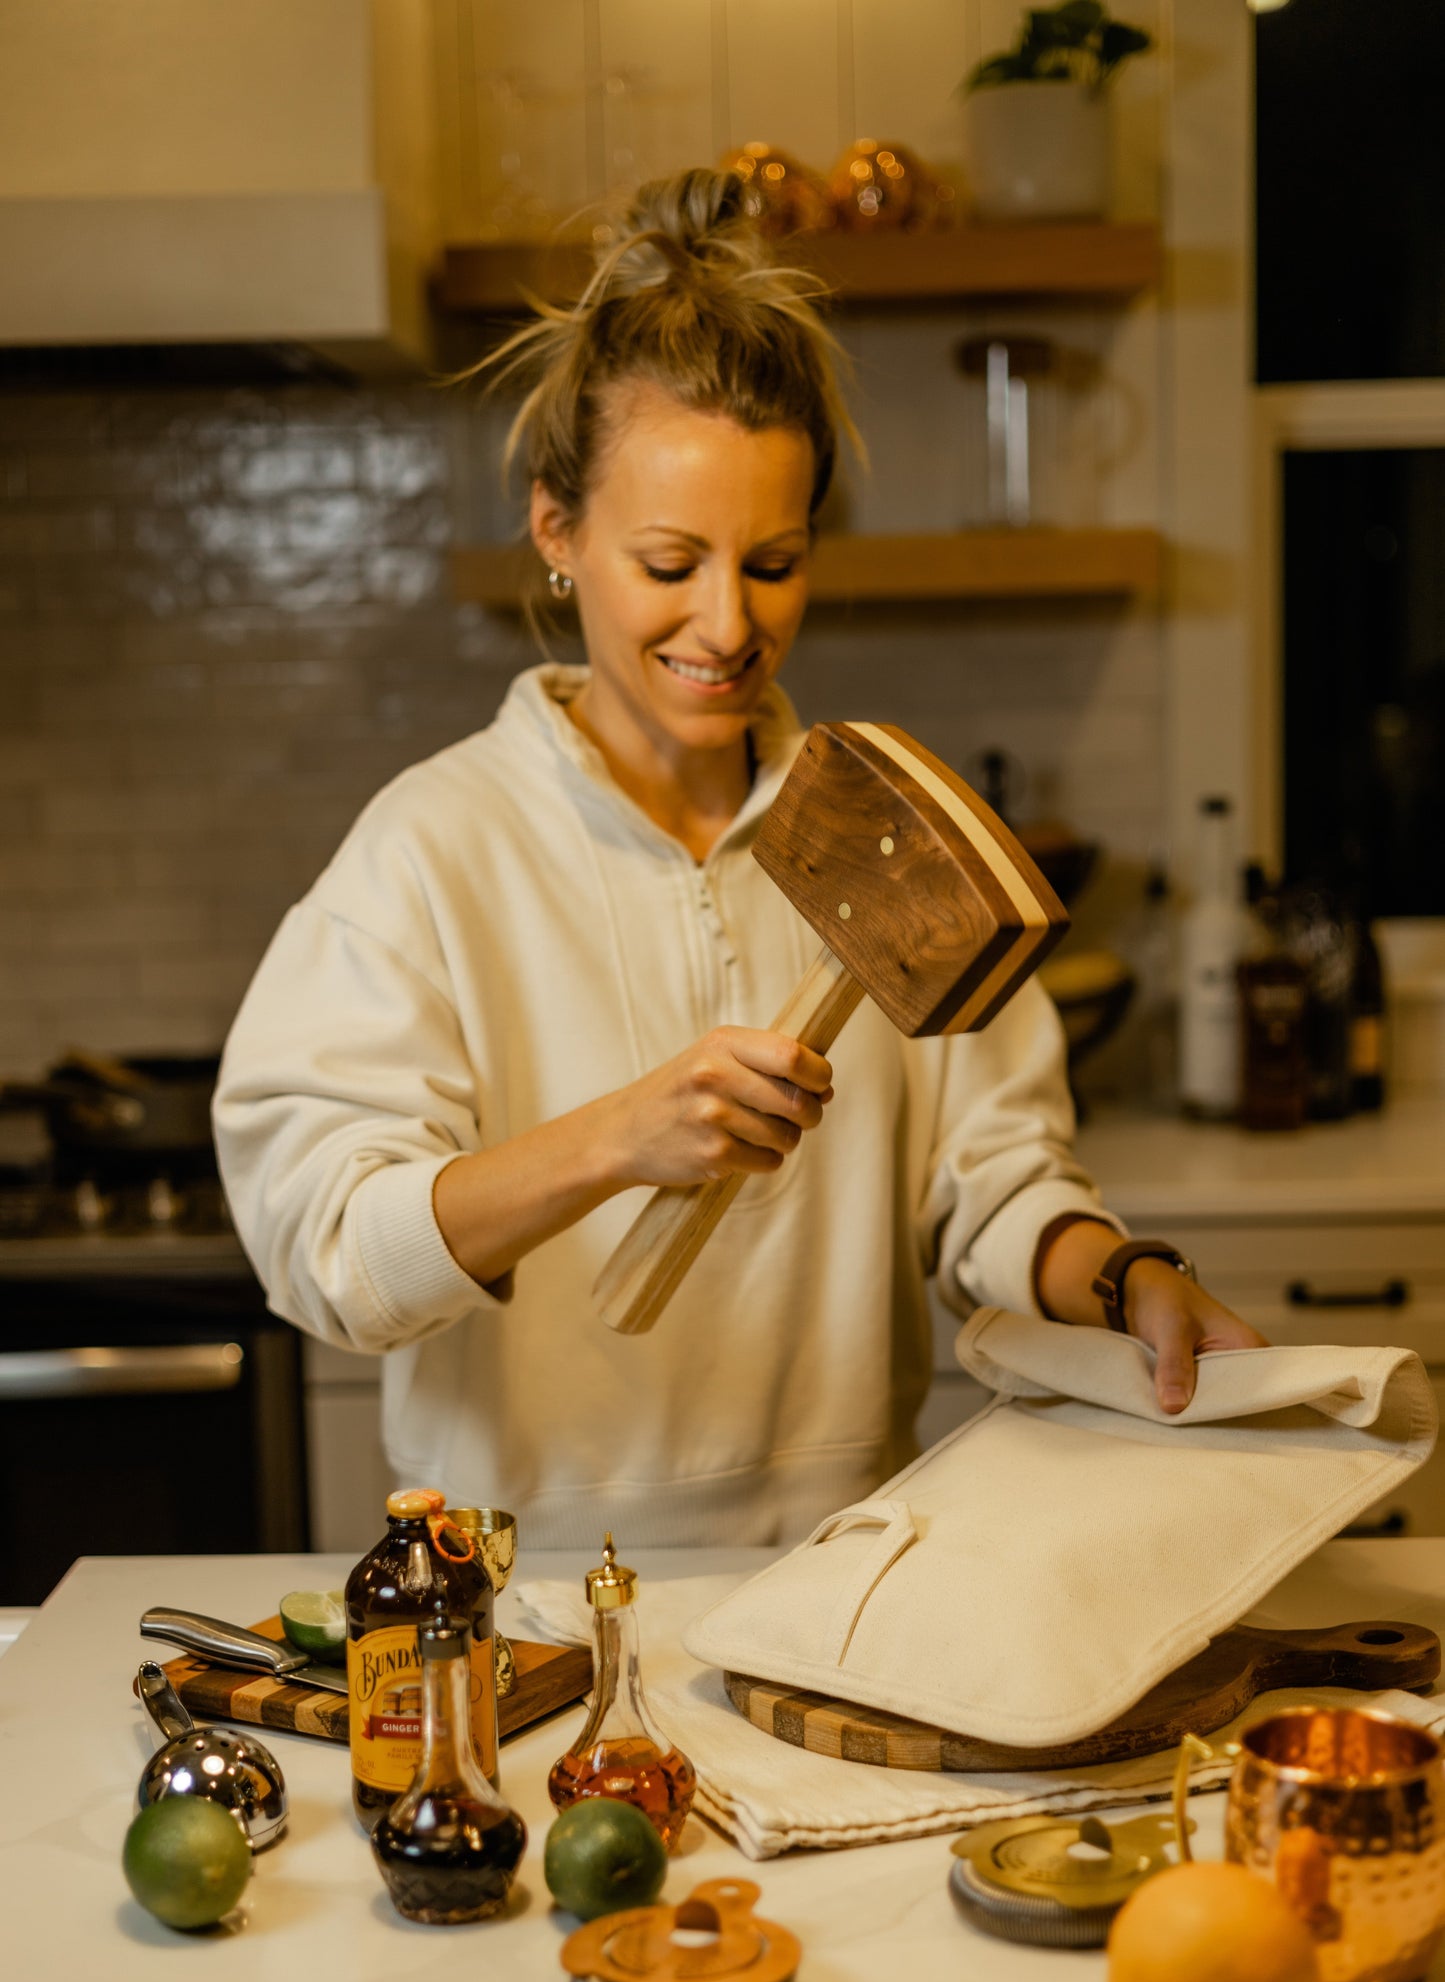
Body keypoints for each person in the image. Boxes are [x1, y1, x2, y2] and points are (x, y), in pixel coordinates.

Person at [213, 168, 1264, 1548]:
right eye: (667, 561)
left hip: (838, 1574)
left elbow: (994, 1189)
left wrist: (1124, 1276)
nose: (725, 622)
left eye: (771, 563)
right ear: (555, 531)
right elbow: (334, 1252)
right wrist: (614, 1140)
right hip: (516, 1601)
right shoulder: (433, 848)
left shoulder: (884, 837)